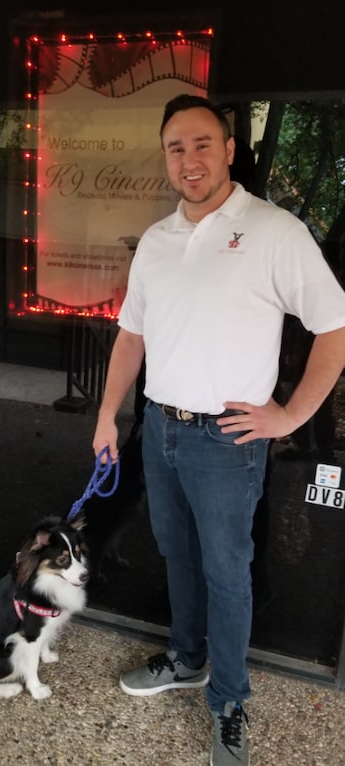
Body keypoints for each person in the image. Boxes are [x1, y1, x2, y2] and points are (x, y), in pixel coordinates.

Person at [92, 93, 345, 766]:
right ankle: (185, 657)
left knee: (228, 575)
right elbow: (131, 336)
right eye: (176, 148)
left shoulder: (273, 231)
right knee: (176, 554)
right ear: (166, 158)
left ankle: (229, 702)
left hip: (228, 442)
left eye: (203, 144)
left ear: (230, 149)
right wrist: (107, 419)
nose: (190, 159)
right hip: (161, 431)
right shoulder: (157, 239)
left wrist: (290, 416)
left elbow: (334, 327)